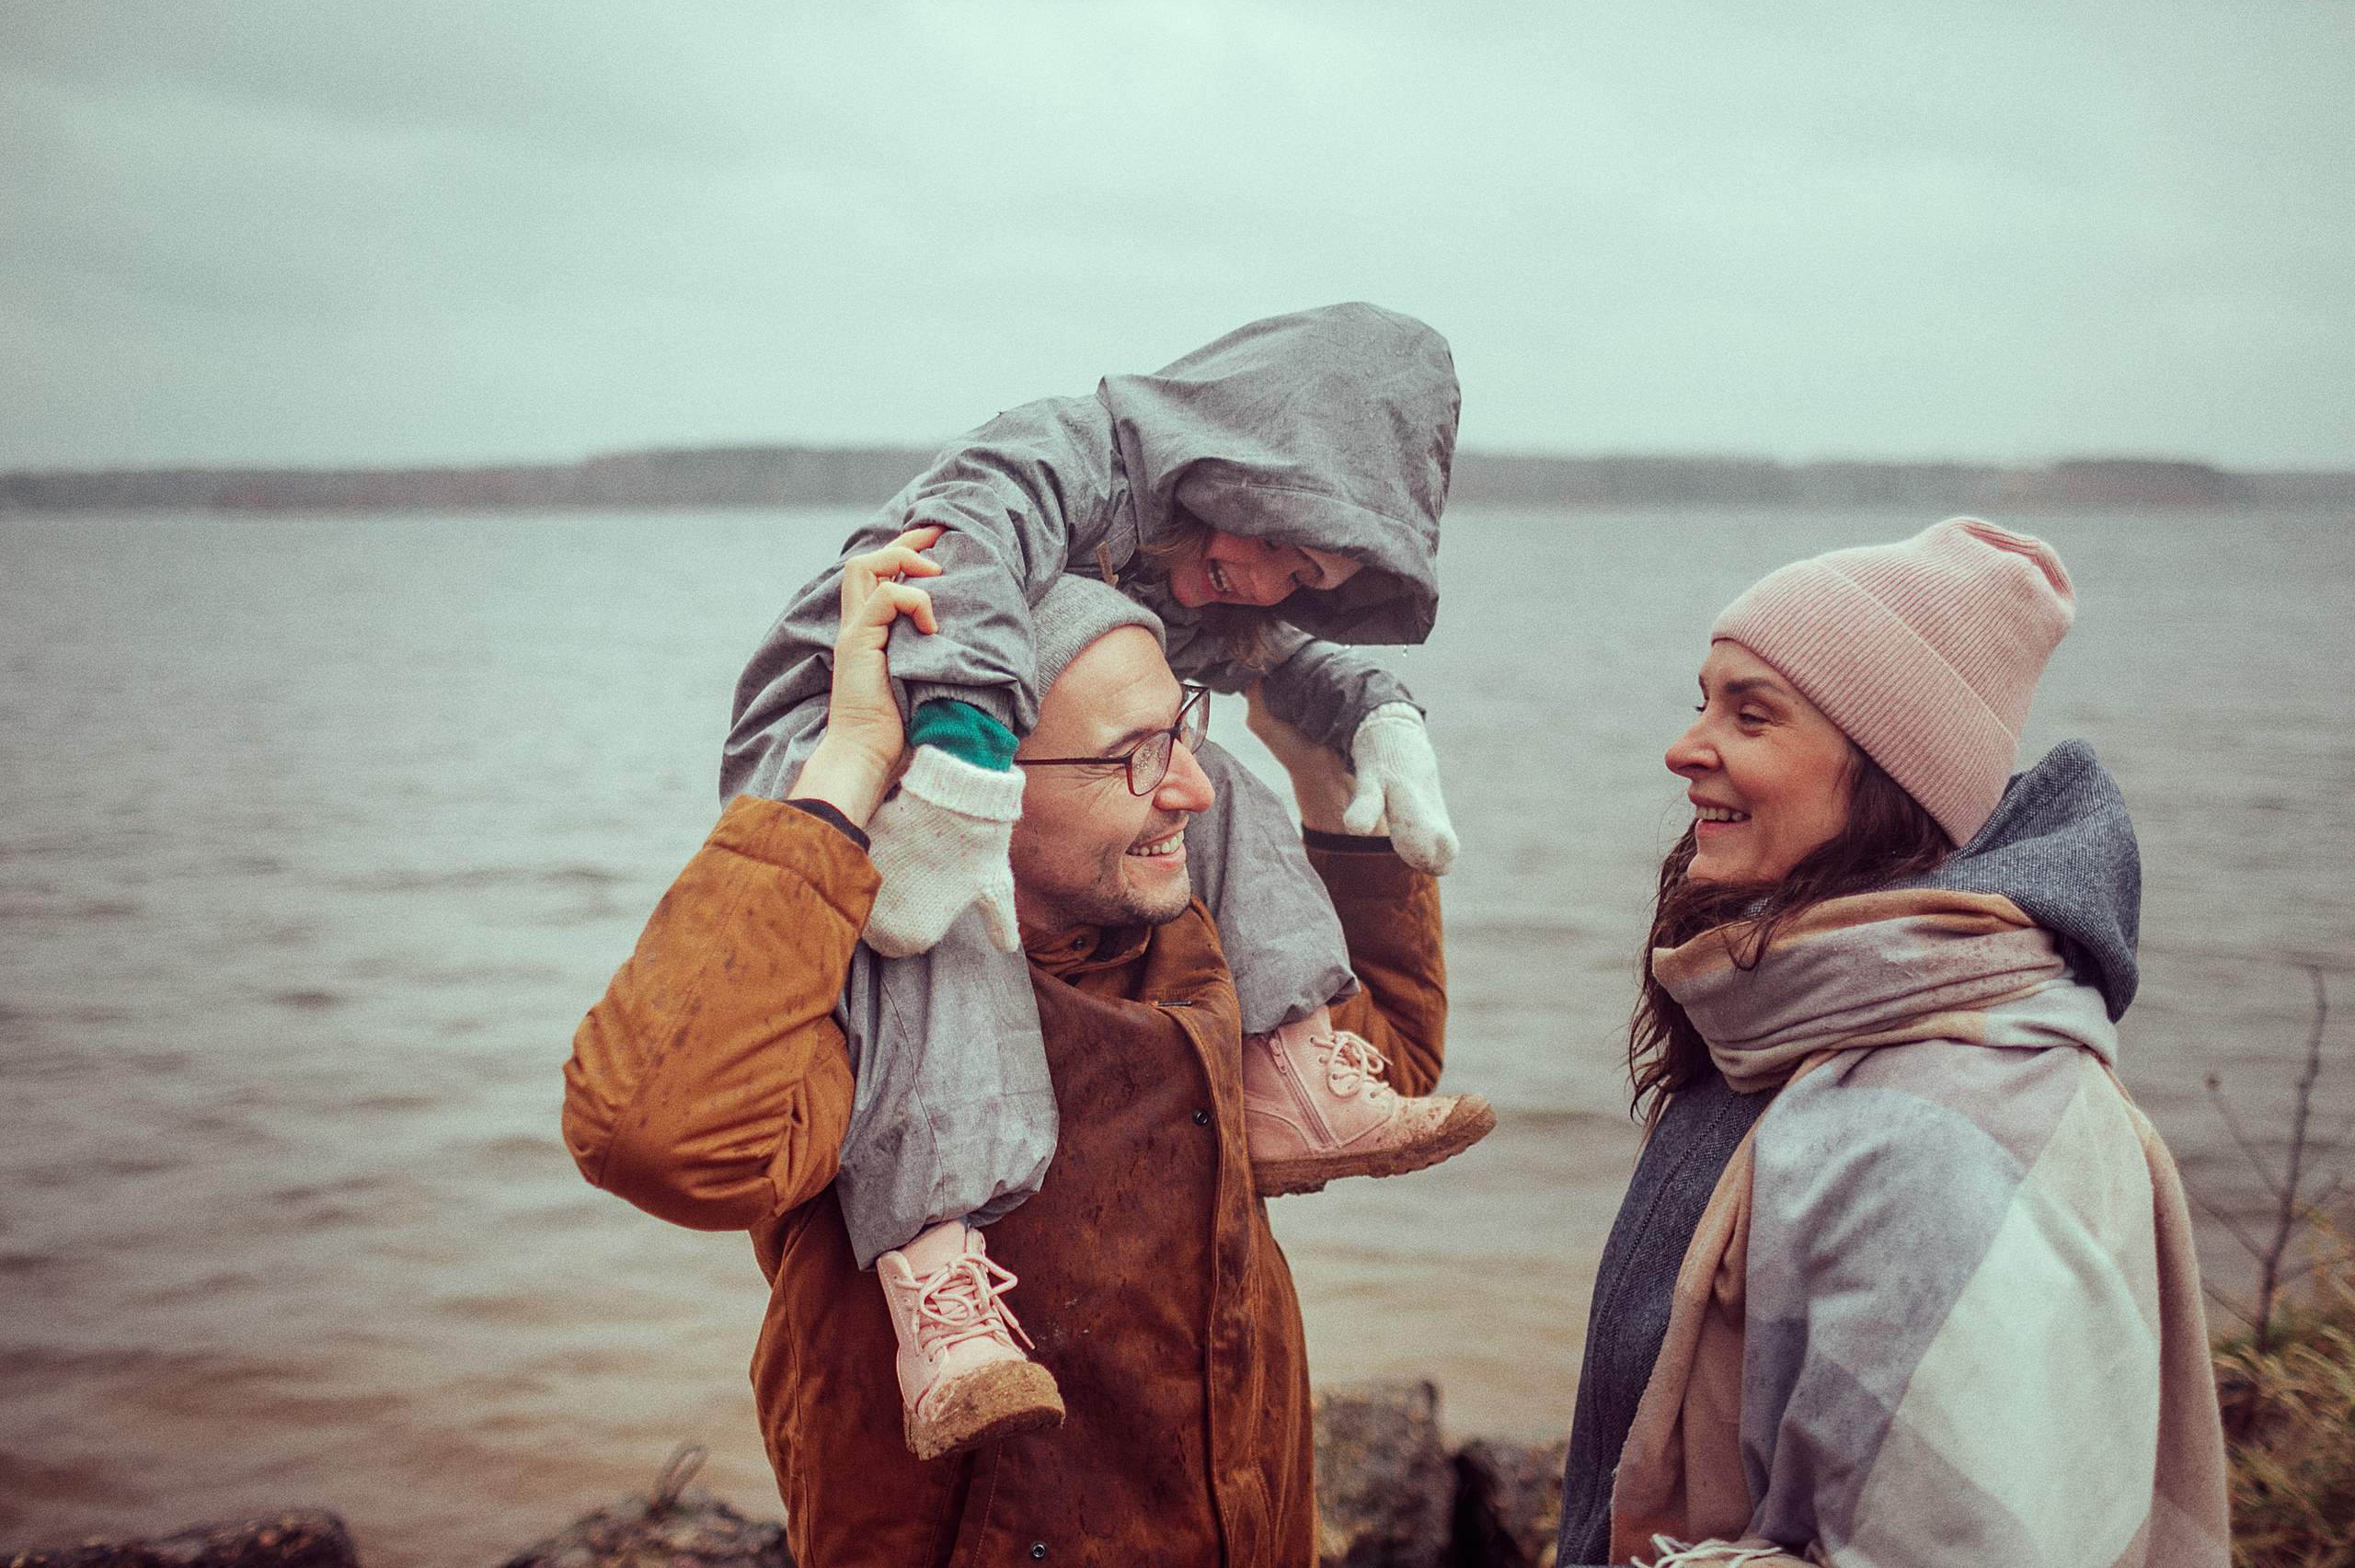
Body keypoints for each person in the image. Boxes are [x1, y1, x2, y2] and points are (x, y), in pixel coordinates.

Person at [563, 537, 1455, 1564]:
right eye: (1133, 755)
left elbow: (1393, 1070)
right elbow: (657, 1143)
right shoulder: (856, 1005)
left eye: (1184, 732)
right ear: (980, 777)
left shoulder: (1186, 926)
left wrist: (1328, 792)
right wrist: (848, 766)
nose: (1193, 791)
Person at [714, 302, 1490, 1458]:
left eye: (1304, 576)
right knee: (940, 922)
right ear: (1239, 454)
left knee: (1222, 780)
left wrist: (1373, 721)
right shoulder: (1056, 457)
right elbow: (965, 561)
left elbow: (1271, 654)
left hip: (1205, 1447)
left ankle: (1292, 1067)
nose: (1266, 584)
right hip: (861, 740)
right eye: (1282, 542)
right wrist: (962, 759)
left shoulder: (1186, 607)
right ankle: (933, 1263)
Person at [1554, 519, 2231, 1567]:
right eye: (1702, 703)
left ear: (1889, 774)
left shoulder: (1949, 1128)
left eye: (1750, 714)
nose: (1684, 749)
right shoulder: (1781, 1023)